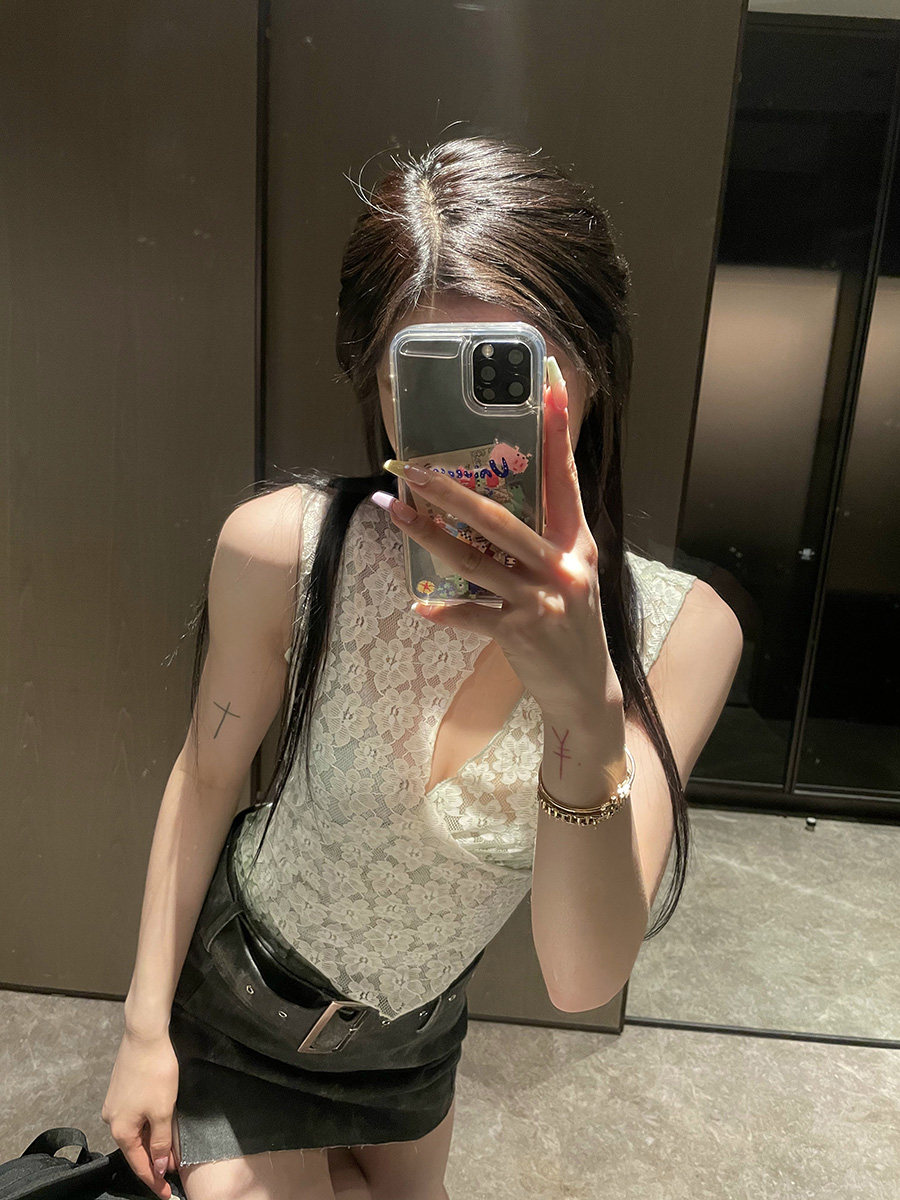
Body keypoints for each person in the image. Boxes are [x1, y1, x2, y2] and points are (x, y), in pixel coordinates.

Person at [100, 135, 743, 1200]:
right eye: (431, 378)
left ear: (593, 369)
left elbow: (582, 977)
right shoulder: (284, 549)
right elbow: (208, 777)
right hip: (243, 1004)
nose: (479, 438)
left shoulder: (683, 634)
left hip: (415, 1041)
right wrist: (140, 1031)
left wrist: (585, 712)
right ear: (376, 378)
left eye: (516, 373)